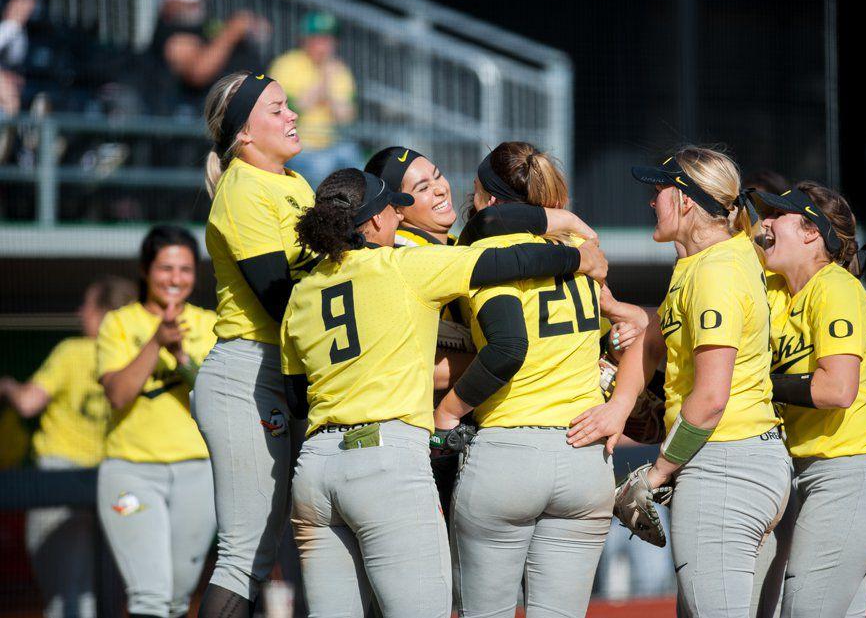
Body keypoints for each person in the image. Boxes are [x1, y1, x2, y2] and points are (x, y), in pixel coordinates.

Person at [280, 167, 608, 618]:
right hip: (385, 461)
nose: (399, 213)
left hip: (316, 468)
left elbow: (296, 397)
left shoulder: (301, 293)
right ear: (374, 221)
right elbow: (508, 262)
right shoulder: (405, 266)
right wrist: (579, 260)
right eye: (392, 207)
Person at [429, 142, 634, 617]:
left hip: (509, 451)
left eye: (476, 191)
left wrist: (447, 412)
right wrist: (619, 402)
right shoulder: (578, 250)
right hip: (584, 456)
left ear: (492, 200)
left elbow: (507, 348)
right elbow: (622, 335)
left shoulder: (487, 249)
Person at [610, 147, 791, 618]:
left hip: (726, 465)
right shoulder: (706, 262)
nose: (652, 202)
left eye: (659, 192)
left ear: (686, 201)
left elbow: (711, 398)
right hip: (740, 460)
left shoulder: (715, 271)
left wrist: (657, 474)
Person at [193, 71, 317, 616]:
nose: (291, 116)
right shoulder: (243, 187)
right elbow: (277, 295)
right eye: (276, 109)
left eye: (288, 105)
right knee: (244, 554)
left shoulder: (294, 182)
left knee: (276, 548)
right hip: (249, 372)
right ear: (244, 134)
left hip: (284, 367)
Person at [752, 182, 866, 617]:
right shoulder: (778, 290)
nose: (767, 222)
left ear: (812, 232)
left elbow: (837, 389)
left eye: (779, 214)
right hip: (805, 479)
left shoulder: (835, 288)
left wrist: (756, 383)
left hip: (846, 477)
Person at [95, 226, 217, 618]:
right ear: (146, 271)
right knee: (149, 595)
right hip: (131, 474)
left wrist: (182, 358)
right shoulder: (118, 323)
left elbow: (215, 401)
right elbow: (118, 395)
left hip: (198, 472)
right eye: (166, 268)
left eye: (184, 269)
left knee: (179, 598)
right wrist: (155, 343)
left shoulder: (211, 324)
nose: (175, 279)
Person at [0, 276, 136, 618]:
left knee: (64, 592)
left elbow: (29, 403)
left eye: (87, 306)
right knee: (100, 590)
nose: (80, 312)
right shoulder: (135, 359)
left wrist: (8, 386)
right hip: (113, 483)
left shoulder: (72, 351)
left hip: (58, 483)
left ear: (104, 313)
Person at [146, 0, 267, 117]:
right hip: (198, 124)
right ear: (171, 4)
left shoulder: (206, 28)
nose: (199, 7)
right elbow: (198, 72)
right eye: (191, 3)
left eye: (200, 1)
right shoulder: (171, 37)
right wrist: (232, 32)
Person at [269, 12, 360, 187]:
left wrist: (330, 95)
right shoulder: (286, 64)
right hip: (299, 145)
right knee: (321, 168)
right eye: (319, 38)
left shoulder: (340, 69)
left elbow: (347, 117)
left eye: (329, 39)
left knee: (359, 170)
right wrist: (322, 82)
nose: (325, 45)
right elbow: (285, 111)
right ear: (305, 40)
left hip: (334, 143)